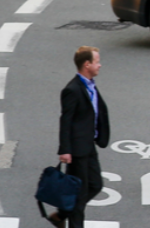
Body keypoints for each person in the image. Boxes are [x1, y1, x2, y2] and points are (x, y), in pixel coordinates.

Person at [52, 46, 111, 228]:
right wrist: (65, 150)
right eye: (97, 62)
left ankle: (61, 214)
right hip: (77, 150)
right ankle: (70, 219)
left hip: (89, 145)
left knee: (96, 185)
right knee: (80, 193)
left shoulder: (90, 85)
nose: (100, 65)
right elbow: (66, 121)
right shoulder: (72, 90)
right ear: (87, 65)